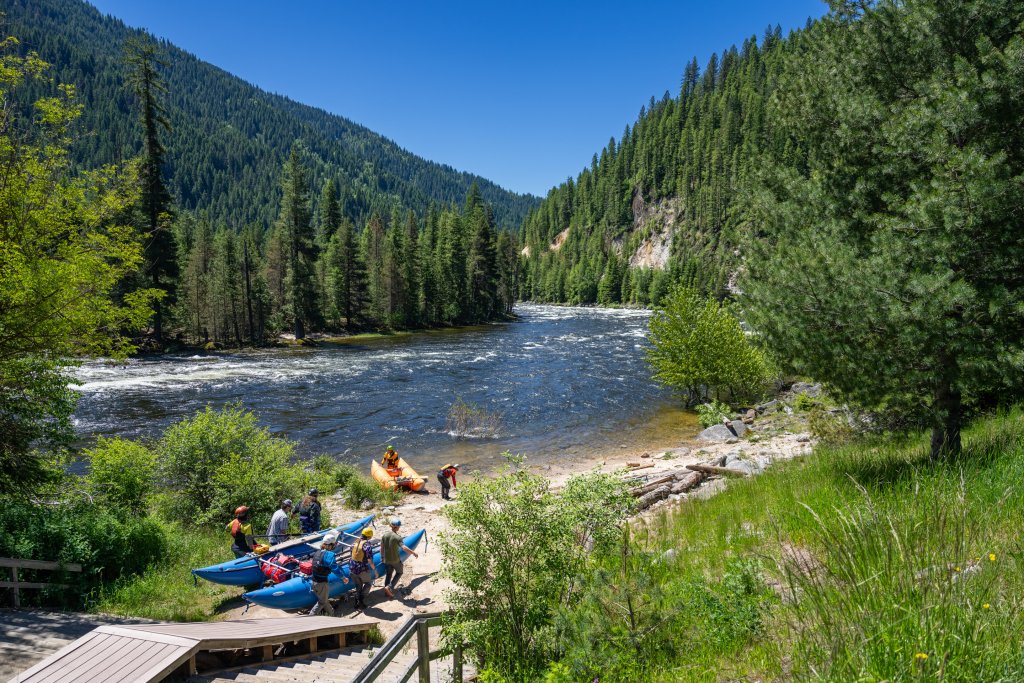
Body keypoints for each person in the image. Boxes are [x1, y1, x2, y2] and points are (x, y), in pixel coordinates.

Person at [308, 531, 349, 616]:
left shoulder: (317, 552)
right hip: (321, 583)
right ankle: (310, 617)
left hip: (313, 581)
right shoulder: (329, 555)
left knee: (324, 600)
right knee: (322, 602)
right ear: (330, 545)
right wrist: (343, 578)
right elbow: (335, 568)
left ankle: (332, 614)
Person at [380, 518, 418, 599]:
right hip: (395, 560)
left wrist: (382, 557)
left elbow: (382, 548)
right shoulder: (398, 537)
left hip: (386, 560)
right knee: (399, 572)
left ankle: (387, 593)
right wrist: (413, 552)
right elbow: (404, 548)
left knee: (388, 574)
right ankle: (389, 587)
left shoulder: (385, 535)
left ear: (391, 526)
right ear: (397, 527)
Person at [348, 527, 379, 610]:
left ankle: (356, 602)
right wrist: (375, 571)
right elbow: (369, 560)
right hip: (362, 569)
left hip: (352, 568)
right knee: (368, 583)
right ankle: (360, 600)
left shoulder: (354, 543)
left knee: (358, 585)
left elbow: (352, 554)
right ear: (369, 536)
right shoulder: (367, 545)